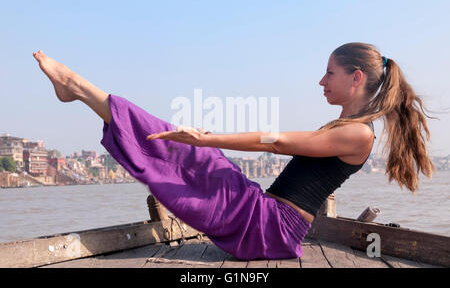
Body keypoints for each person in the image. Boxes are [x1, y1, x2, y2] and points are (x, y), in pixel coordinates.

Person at [32, 42, 436, 260]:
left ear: (356, 78)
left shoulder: (358, 135)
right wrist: (207, 143)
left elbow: (276, 142)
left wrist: (208, 139)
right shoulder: (347, 129)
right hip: (265, 220)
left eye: (330, 72)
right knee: (202, 159)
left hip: (268, 230)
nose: (321, 81)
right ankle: (83, 92)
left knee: (198, 155)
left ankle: (79, 88)